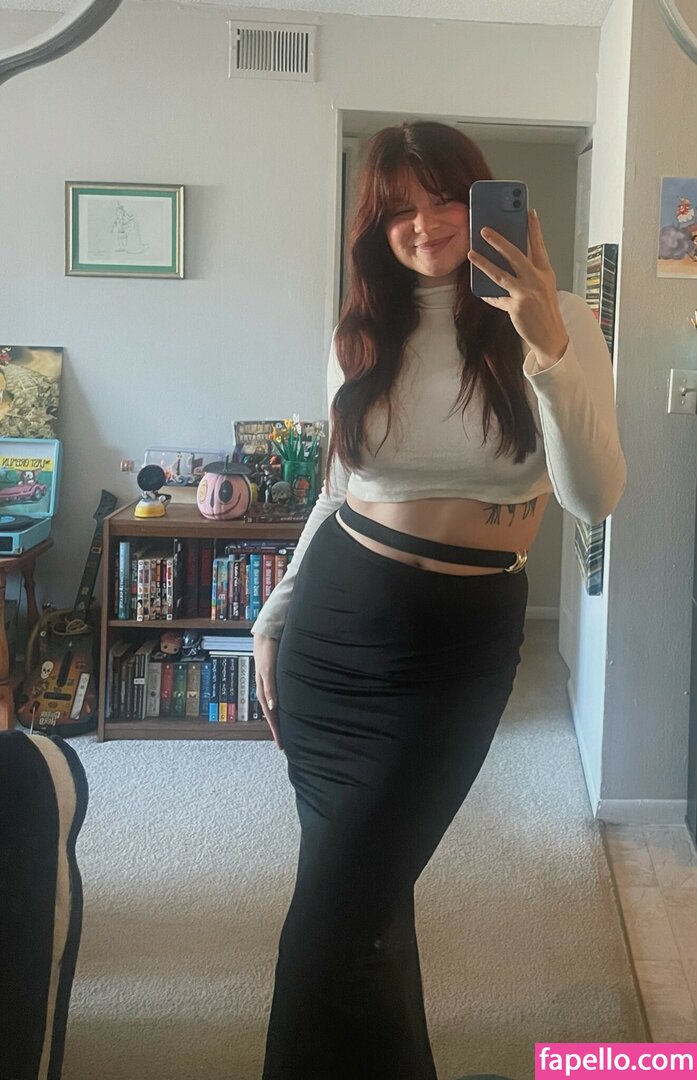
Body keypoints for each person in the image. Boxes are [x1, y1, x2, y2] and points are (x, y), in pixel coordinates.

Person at [251, 120, 626, 1080]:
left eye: (443, 199)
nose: (423, 225)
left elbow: (593, 497)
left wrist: (545, 344)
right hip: (333, 628)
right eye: (397, 210)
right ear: (373, 227)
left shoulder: (561, 319)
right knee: (359, 911)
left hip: (458, 648)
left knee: (339, 923)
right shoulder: (360, 333)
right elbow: (336, 491)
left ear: (483, 198)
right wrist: (274, 611)